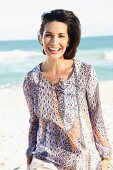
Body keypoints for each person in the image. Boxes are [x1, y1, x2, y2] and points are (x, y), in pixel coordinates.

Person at [23, 9, 112, 170]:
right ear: (41, 38)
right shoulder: (31, 80)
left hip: (82, 159)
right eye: (48, 35)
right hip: (45, 158)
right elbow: (34, 121)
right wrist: (30, 154)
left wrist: (105, 156)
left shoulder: (85, 73)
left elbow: (96, 115)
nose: (54, 42)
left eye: (61, 36)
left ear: (70, 40)